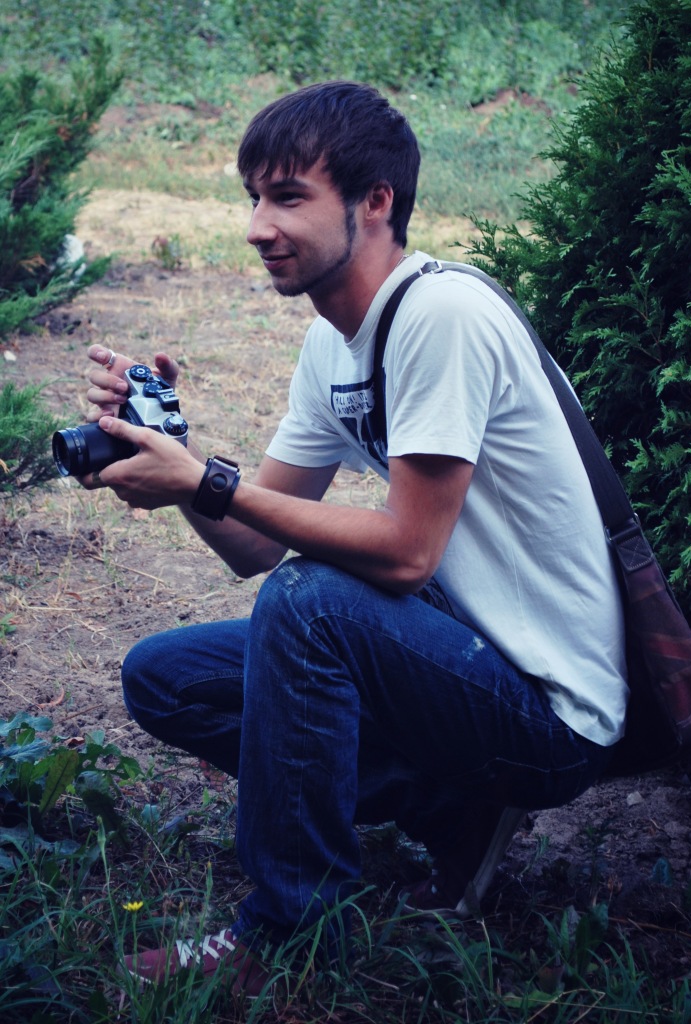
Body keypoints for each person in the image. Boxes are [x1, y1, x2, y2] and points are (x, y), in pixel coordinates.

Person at [83, 81, 628, 997]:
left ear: (375, 201)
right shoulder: (334, 344)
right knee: (165, 677)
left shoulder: (441, 317)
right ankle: (451, 813)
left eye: (287, 197)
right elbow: (251, 545)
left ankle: (289, 933)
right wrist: (173, 458)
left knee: (310, 604)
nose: (257, 226)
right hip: (461, 651)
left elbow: (407, 552)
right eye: (253, 198)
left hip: (548, 709)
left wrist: (207, 480)